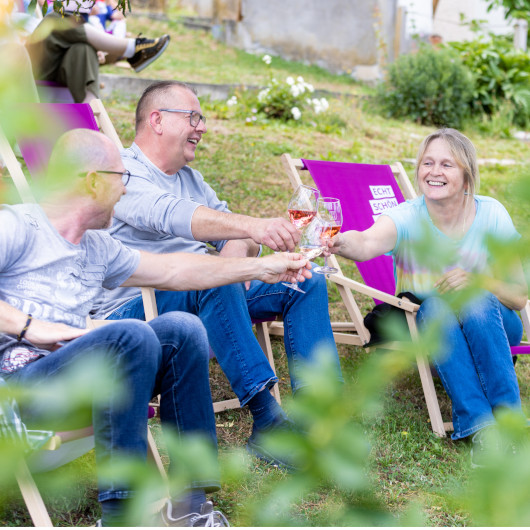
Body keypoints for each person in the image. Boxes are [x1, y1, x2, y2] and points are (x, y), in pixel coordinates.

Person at [0, 127, 312, 525]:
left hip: (75, 384)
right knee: (130, 334)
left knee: (182, 330)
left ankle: (189, 506)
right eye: (121, 178)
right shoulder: (17, 225)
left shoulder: (98, 247)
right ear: (92, 182)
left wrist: (259, 266)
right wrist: (28, 326)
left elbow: (175, 270)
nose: (125, 190)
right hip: (19, 394)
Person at [90, 80, 343, 470]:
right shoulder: (124, 172)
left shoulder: (191, 179)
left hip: (202, 292)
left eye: (202, 118)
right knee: (215, 278)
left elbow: (239, 238)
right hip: (136, 307)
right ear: (157, 120)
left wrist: (238, 255)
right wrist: (243, 241)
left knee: (305, 281)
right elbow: (173, 215)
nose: (202, 127)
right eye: (193, 117)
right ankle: (268, 420)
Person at [327, 128, 528, 466]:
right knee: (435, 307)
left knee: (474, 300)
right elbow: (366, 242)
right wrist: (338, 241)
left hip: (495, 323)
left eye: (447, 164)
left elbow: (519, 297)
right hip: (434, 328)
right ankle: (482, 430)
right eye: (427, 163)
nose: (434, 172)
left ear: (467, 174)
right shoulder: (407, 216)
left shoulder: (492, 213)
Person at [25, 2, 169, 103]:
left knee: (82, 48)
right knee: (55, 19)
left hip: (60, 62)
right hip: (31, 65)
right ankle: (133, 49)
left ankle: (91, 108)